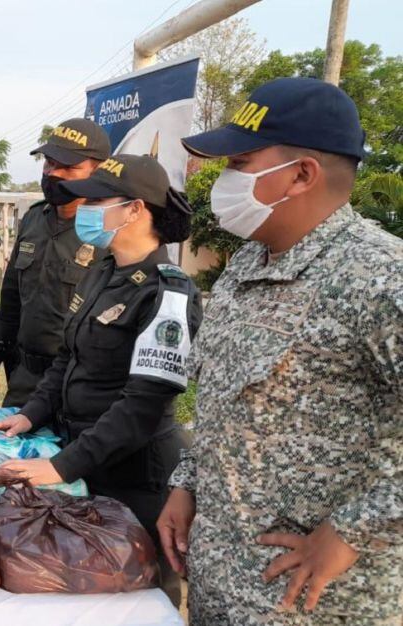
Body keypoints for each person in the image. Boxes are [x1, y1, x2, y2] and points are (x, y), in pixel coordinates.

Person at [157, 77, 402, 624]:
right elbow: (225, 403)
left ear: (301, 175)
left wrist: (351, 531)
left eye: (239, 163)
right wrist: (187, 484)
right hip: (220, 584)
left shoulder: (380, 277)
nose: (222, 181)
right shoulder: (247, 264)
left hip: (312, 605)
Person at [0, 154, 201, 606]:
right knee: (84, 587)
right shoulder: (102, 271)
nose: (84, 208)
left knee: (138, 593)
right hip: (84, 459)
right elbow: (68, 357)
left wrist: (61, 467)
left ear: (136, 209)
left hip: (135, 477)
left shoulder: (168, 292)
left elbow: (142, 406)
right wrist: (29, 416)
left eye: (97, 200)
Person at [0, 118, 111, 409]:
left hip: (77, 386)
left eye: (69, 167)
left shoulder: (109, 231)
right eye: (49, 163)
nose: (54, 173)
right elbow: (11, 299)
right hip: (24, 378)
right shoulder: (34, 219)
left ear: (98, 171)